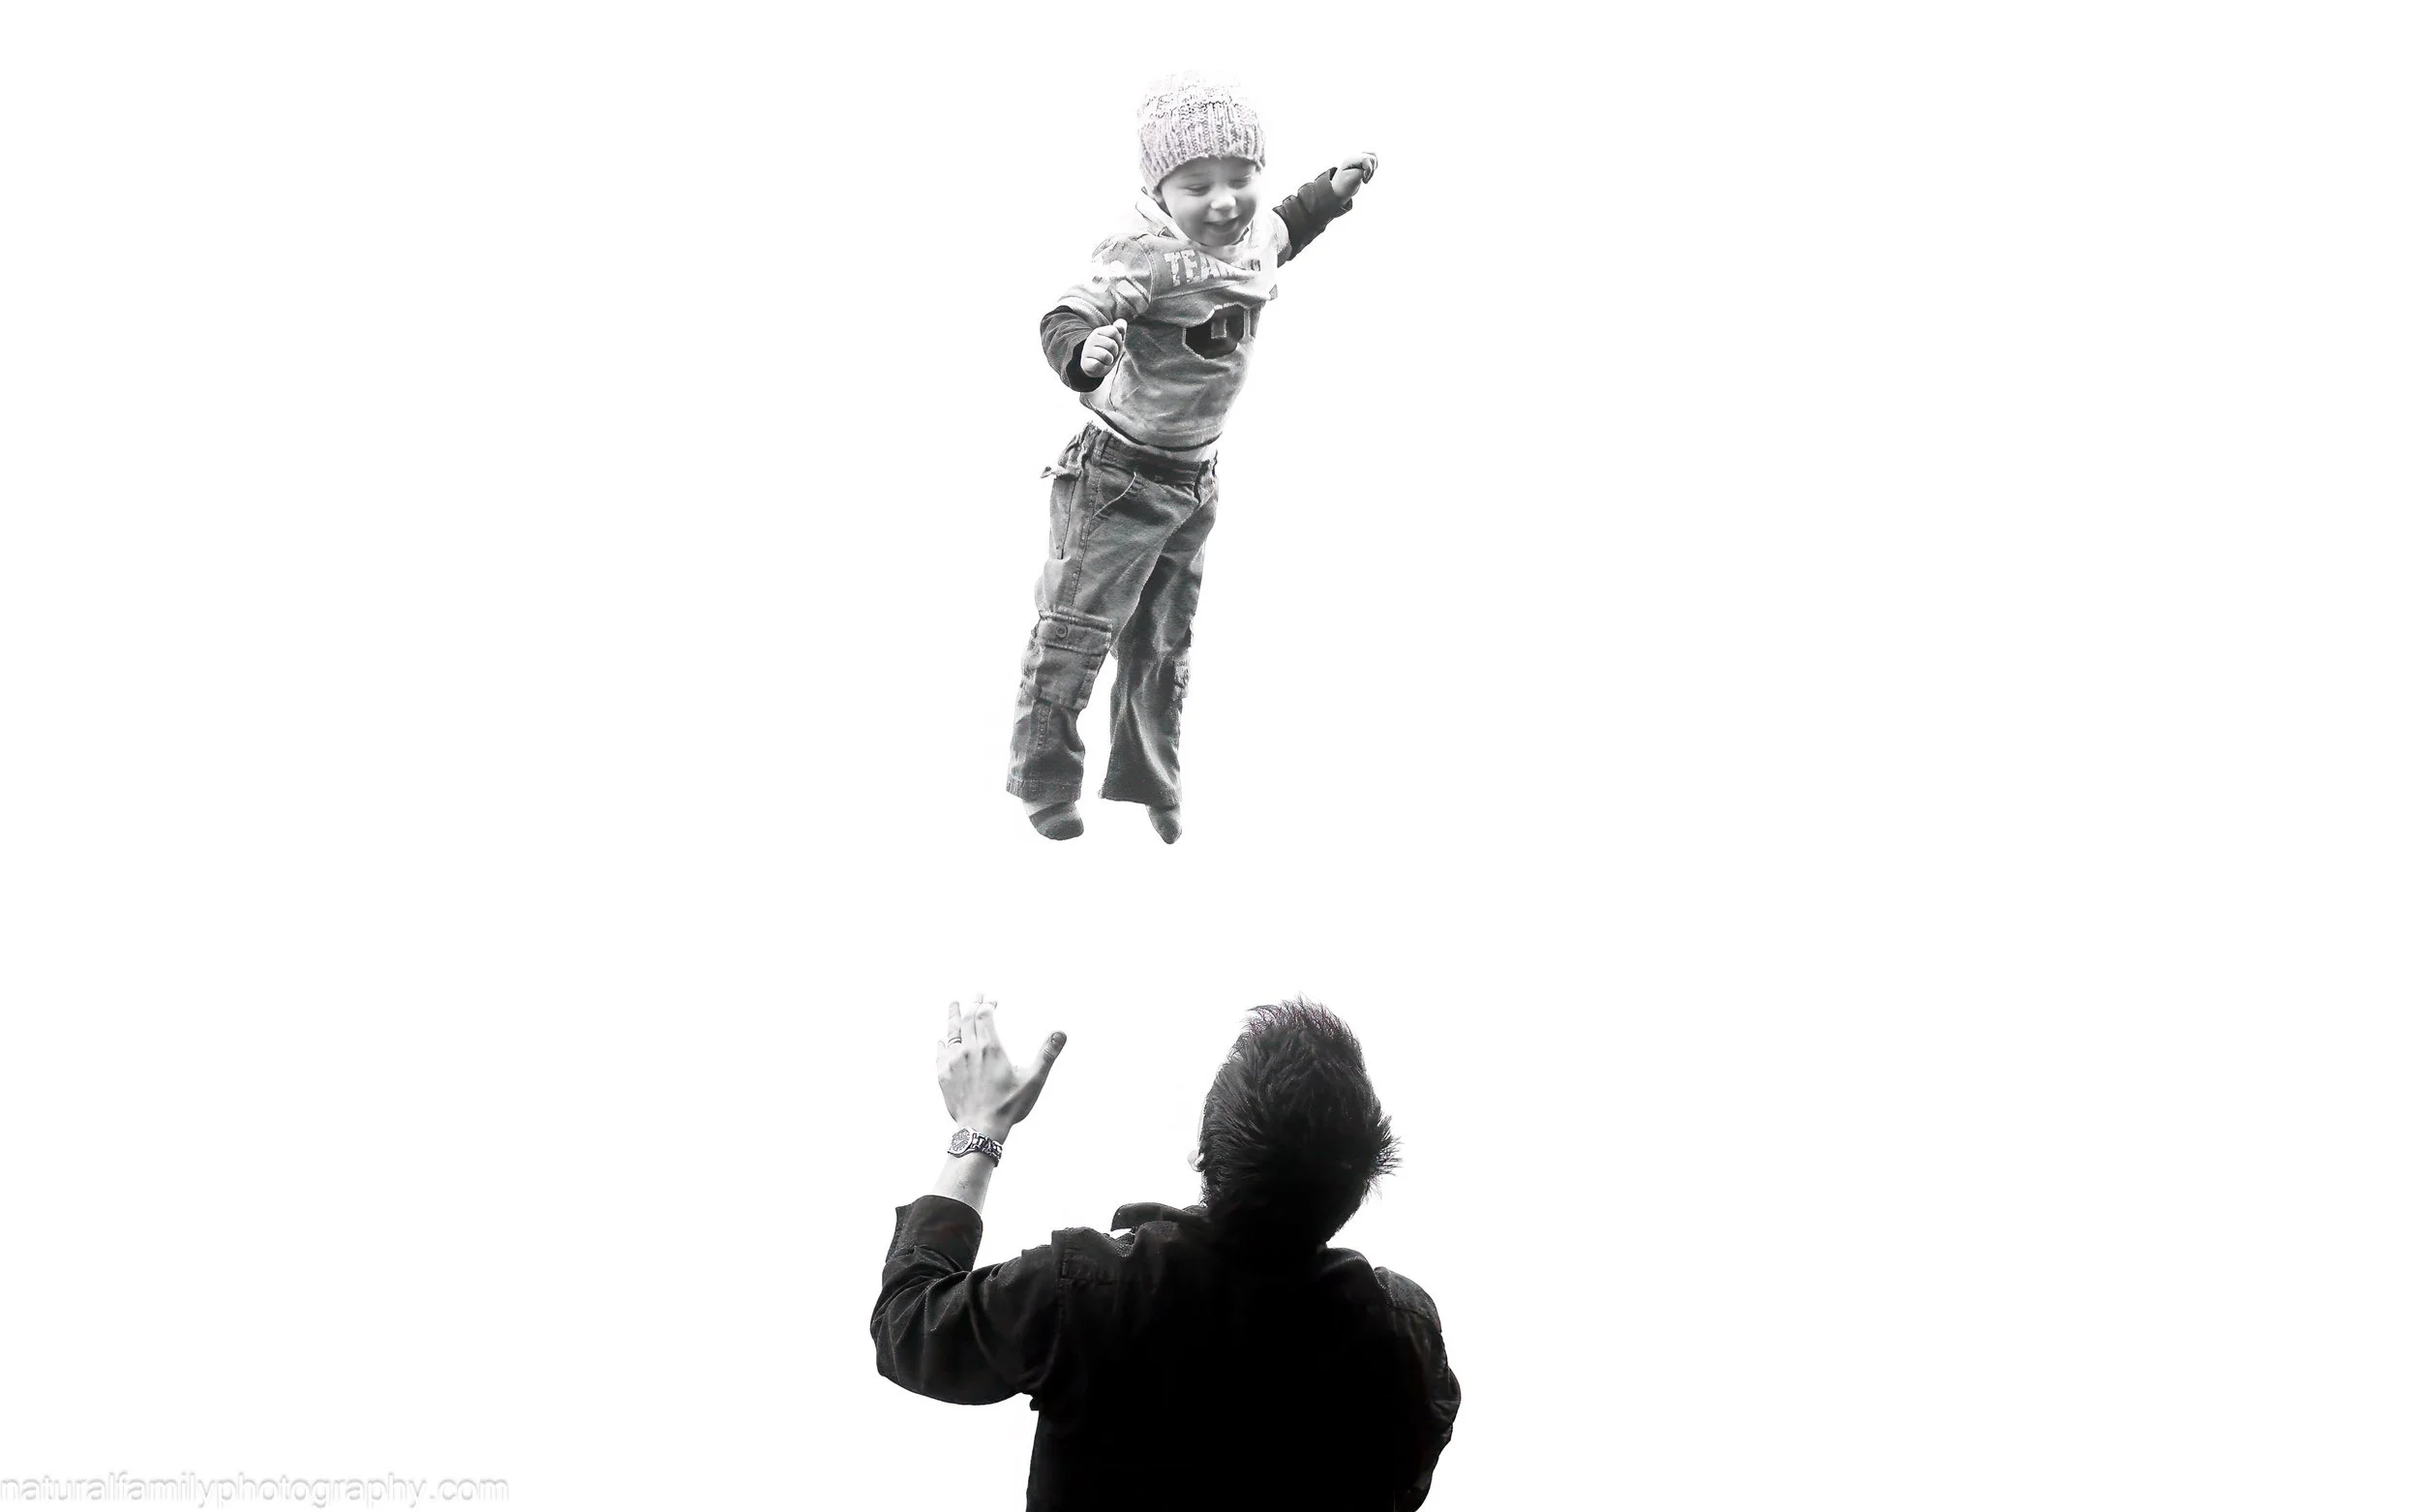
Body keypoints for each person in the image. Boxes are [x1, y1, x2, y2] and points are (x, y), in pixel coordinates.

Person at [871, 996, 1459, 1511]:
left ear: (1203, 1155)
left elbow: (910, 1325)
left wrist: (981, 1126)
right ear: (1359, 1184)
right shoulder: (1402, 1338)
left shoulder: (1091, 1293)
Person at [1006, 72, 1379, 842]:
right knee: (1080, 627)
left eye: (1239, 180)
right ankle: (1043, 776)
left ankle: (1149, 778)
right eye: (1197, 186)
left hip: (1194, 479)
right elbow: (1066, 312)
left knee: (1164, 640)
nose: (1224, 202)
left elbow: (1284, 227)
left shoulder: (1250, 238)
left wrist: (1330, 193)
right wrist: (1084, 352)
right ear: (1158, 188)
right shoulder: (1140, 254)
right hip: (1115, 476)